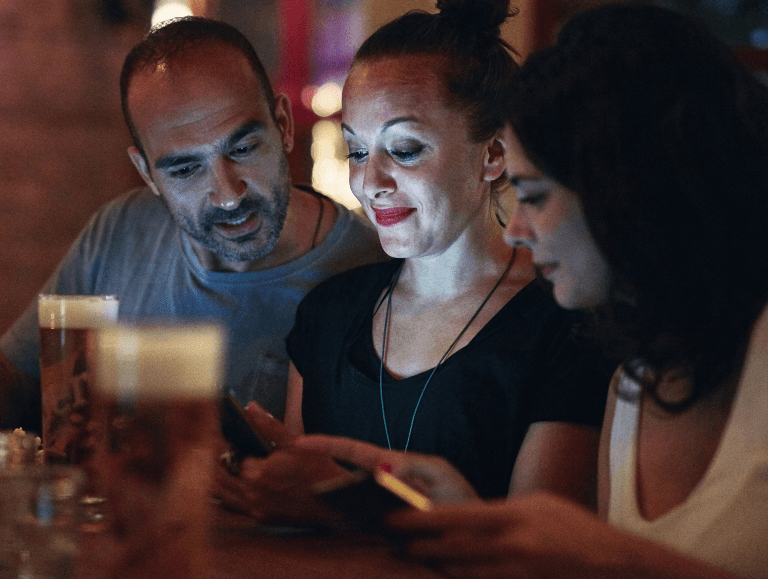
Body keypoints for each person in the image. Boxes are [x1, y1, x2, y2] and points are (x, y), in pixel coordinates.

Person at [302, 4, 768, 578]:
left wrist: (611, 560)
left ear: (628, 185)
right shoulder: (633, 372)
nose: (521, 229)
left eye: (533, 195)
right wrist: (474, 519)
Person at [0, 17, 385, 469]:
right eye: (185, 169)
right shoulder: (121, 231)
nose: (228, 195)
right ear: (146, 172)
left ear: (283, 124)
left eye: (244, 147)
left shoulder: (373, 270)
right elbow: (17, 373)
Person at [219, 0, 614, 522]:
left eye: (404, 149)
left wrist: (343, 509)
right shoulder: (329, 314)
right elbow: (295, 508)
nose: (370, 183)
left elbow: (540, 559)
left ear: (493, 154)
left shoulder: (564, 328)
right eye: (357, 152)